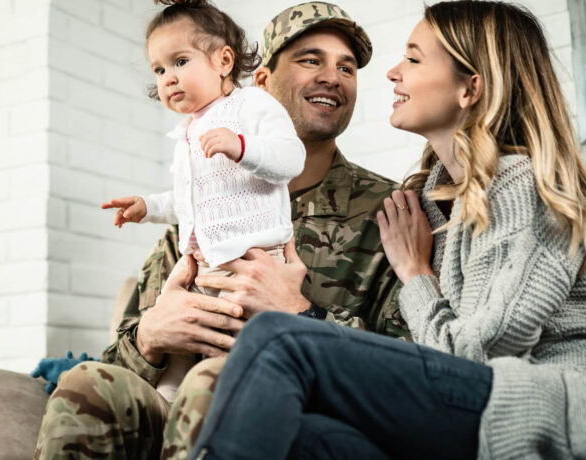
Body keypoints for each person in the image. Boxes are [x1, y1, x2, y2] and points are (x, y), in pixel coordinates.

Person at [189, 1, 586, 459]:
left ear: (470, 88)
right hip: (470, 414)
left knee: (277, 340)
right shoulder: (432, 203)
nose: (393, 73)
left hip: (536, 411)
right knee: (305, 436)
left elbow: (470, 360)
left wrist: (416, 276)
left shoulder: (521, 186)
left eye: (414, 59)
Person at [34, 2, 409, 459]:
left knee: (216, 385)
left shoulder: (387, 211)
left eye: (346, 67)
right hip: (174, 405)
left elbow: (412, 378)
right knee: (85, 385)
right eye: (311, 59)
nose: (333, 76)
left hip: (298, 420)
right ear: (264, 83)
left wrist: (301, 315)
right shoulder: (197, 210)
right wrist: (151, 336)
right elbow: (120, 355)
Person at [101, 0, 306, 403]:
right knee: (180, 322)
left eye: (179, 61)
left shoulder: (252, 106)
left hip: (254, 261)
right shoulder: (190, 131)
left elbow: (291, 160)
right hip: (202, 262)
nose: (168, 78)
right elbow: (191, 200)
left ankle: (234, 396)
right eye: (159, 70)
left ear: (223, 60)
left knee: (235, 342)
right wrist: (149, 207)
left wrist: (242, 146)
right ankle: (170, 397)